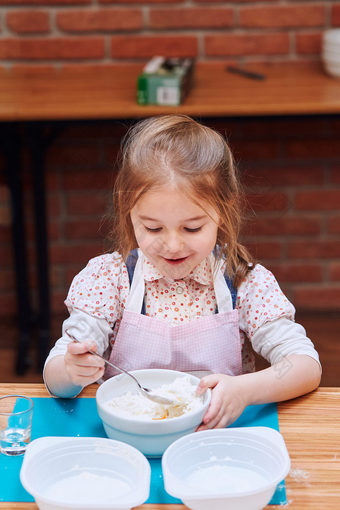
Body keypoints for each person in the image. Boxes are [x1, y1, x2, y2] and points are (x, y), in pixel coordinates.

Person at [44, 115, 321, 429]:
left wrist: (244, 390)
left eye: (192, 227)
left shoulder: (245, 282)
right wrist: (70, 371)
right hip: (130, 441)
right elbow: (56, 379)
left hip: (214, 444)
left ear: (223, 211)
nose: (172, 245)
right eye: (153, 227)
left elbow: (303, 366)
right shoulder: (109, 279)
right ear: (128, 213)